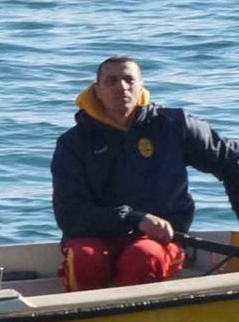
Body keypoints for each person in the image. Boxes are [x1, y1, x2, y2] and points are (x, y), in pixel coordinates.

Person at [53, 55, 239, 291]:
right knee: (87, 262)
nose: (121, 86)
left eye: (129, 80)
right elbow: (70, 214)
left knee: (142, 257)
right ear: (97, 91)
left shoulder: (174, 126)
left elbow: (232, 161)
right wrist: (135, 219)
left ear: (141, 86)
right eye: (111, 81)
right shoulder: (73, 144)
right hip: (95, 235)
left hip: (159, 239)